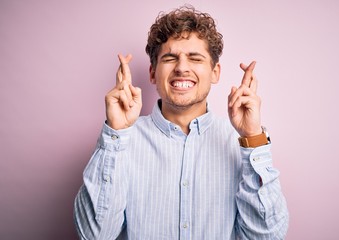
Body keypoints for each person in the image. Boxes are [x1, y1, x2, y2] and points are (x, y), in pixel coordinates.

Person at [74, 5, 289, 240]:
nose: (182, 68)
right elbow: (94, 236)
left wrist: (253, 139)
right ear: (153, 73)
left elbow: (267, 237)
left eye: (195, 58)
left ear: (215, 72)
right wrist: (115, 133)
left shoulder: (241, 142)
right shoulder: (122, 140)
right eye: (170, 58)